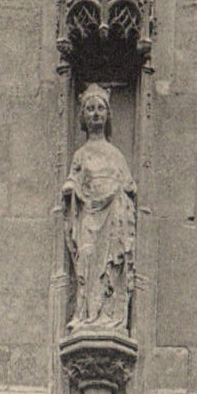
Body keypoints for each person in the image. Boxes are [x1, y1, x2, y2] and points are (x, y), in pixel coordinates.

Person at [63, 84, 136, 333]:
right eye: (90, 109)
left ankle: (108, 314)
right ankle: (85, 314)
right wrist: (72, 189)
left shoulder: (115, 154)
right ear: (83, 115)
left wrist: (119, 193)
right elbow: (73, 180)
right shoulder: (81, 155)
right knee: (87, 261)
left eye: (100, 109)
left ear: (108, 115)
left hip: (112, 218)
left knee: (108, 265)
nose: (95, 114)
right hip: (88, 216)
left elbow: (129, 186)